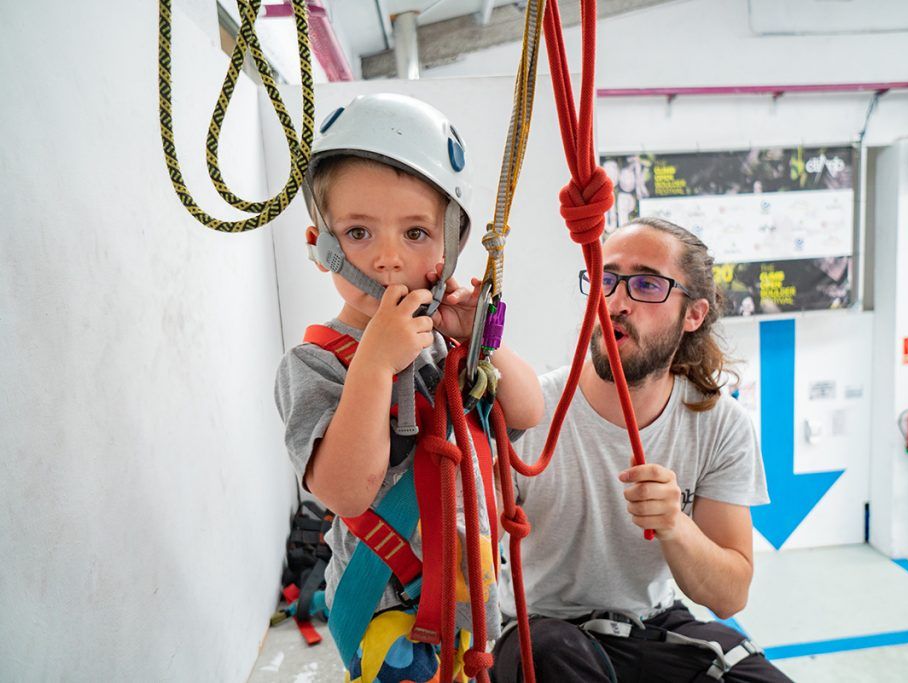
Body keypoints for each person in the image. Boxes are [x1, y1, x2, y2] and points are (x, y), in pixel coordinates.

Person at [274, 94, 543, 682]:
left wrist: (481, 342)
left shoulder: (445, 349)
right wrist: (374, 365)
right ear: (321, 245)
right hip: (389, 614)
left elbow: (527, 411)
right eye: (359, 232)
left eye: (416, 232)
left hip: (471, 605)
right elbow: (346, 492)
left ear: (449, 248)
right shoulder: (315, 364)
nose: (389, 259)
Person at [491, 217, 790, 682]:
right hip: (540, 629)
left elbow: (729, 596)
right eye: (606, 279)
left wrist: (675, 525)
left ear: (693, 315)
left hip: (648, 622)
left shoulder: (718, 423)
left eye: (647, 284)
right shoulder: (529, 411)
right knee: (555, 654)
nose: (615, 302)